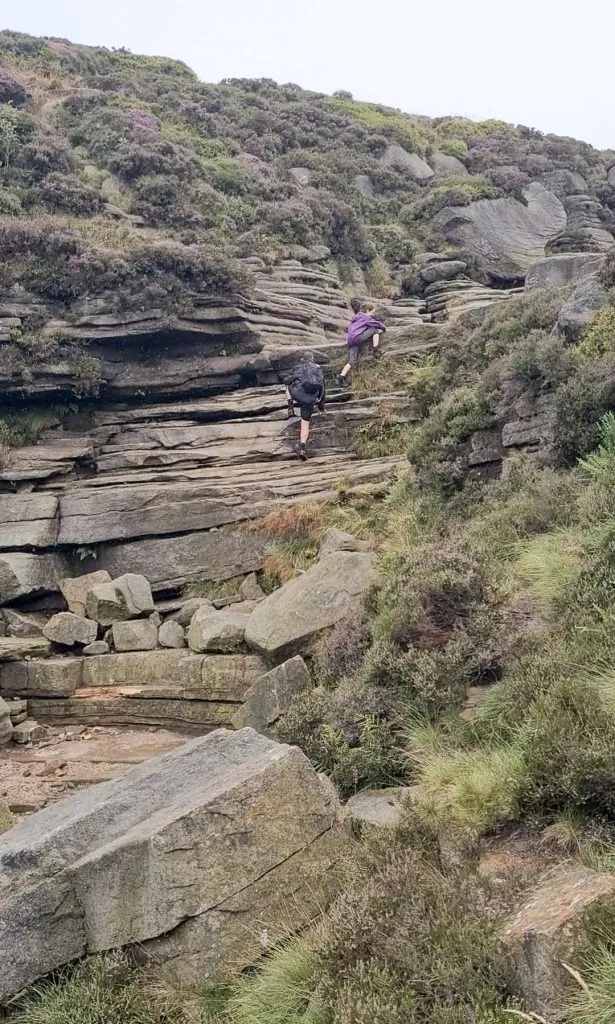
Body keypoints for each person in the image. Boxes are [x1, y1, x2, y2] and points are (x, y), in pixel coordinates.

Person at [283, 351, 326, 461]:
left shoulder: (298, 367)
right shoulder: (317, 368)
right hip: (310, 399)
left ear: (302, 359)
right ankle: (302, 448)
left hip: (298, 394)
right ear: (312, 359)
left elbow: (286, 380)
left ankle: (290, 409)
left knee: (287, 386)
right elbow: (322, 386)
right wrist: (321, 406)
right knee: (305, 423)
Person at [337, 298, 386, 387]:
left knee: (352, 361)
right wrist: (384, 328)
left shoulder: (356, 319)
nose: (372, 315)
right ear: (367, 311)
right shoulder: (366, 317)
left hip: (351, 341)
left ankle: (341, 377)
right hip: (357, 338)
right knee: (375, 330)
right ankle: (376, 350)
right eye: (372, 312)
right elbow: (377, 324)